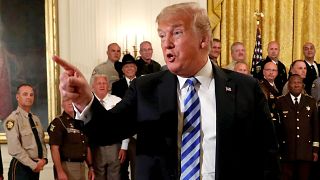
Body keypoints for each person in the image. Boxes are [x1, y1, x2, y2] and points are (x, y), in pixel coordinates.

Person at [53, 2, 279, 180]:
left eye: (177, 33)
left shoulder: (246, 88)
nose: (166, 43)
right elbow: (107, 131)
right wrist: (85, 101)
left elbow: (267, 156)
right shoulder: (145, 88)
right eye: (162, 35)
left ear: (204, 40)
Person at [275, 74, 319, 180]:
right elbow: (277, 128)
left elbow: (316, 127)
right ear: (289, 85)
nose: (296, 85)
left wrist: (315, 150)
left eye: (299, 82)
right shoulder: (280, 101)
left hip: (305, 151)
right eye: (293, 82)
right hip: (286, 151)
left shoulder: (311, 102)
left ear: (303, 85)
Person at [4, 84, 47, 180]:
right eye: (25, 94)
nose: (29, 97)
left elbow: (41, 142)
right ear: (17, 97)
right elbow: (14, 148)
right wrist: (33, 165)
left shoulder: (35, 119)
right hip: (20, 168)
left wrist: (44, 159)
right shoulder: (12, 119)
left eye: (31, 95)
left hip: (36, 167)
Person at [90, 74, 129, 180]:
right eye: (99, 83)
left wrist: (124, 147)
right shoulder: (88, 103)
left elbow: (125, 125)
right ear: (93, 87)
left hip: (114, 147)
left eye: (104, 83)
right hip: (95, 147)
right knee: (98, 176)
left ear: (108, 86)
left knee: (115, 176)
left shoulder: (117, 101)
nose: (102, 85)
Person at [48, 99, 94, 180]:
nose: (70, 103)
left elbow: (86, 146)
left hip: (82, 166)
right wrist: (59, 171)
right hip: (66, 166)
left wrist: (90, 167)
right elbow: (54, 148)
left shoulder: (82, 122)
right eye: (67, 100)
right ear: (62, 104)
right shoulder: (58, 122)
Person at [112, 54, 138, 180]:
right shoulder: (117, 86)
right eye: (126, 66)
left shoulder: (143, 83)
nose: (129, 69)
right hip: (122, 131)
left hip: (139, 132)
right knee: (121, 169)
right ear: (122, 70)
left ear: (136, 68)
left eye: (132, 66)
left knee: (138, 169)